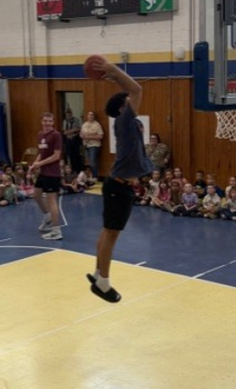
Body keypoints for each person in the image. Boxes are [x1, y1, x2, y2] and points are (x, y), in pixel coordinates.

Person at [87, 60, 152, 303]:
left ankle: (98, 273)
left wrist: (116, 79)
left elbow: (131, 90)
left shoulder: (129, 123)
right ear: (123, 107)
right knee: (111, 234)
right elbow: (137, 89)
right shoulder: (124, 121)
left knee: (108, 231)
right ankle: (103, 283)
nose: (133, 101)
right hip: (118, 187)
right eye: (128, 101)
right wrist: (114, 70)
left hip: (119, 185)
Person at [30, 112, 64, 240]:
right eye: (45, 121)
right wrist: (35, 164)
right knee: (36, 195)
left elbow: (56, 156)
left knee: (52, 201)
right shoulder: (40, 135)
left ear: (53, 122)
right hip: (43, 172)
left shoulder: (56, 135)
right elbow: (41, 153)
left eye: (50, 121)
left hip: (52, 173)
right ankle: (47, 216)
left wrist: (40, 164)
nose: (48, 123)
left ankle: (56, 230)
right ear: (41, 121)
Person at [81, 109, 104, 177]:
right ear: (87, 116)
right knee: (88, 162)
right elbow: (81, 134)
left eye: (92, 115)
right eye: (89, 115)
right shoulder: (84, 124)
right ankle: (89, 177)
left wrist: (89, 137)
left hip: (94, 145)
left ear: (94, 116)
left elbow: (100, 136)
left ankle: (95, 177)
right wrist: (82, 136)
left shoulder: (97, 125)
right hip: (86, 145)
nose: (90, 116)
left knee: (92, 162)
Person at [62, 107, 83, 173]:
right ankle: (72, 170)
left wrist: (70, 131)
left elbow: (78, 129)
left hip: (75, 139)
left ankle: (78, 170)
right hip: (68, 140)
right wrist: (72, 131)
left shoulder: (76, 120)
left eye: (70, 112)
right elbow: (64, 131)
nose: (69, 114)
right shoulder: (65, 121)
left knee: (77, 155)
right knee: (70, 155)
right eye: (67, 113)